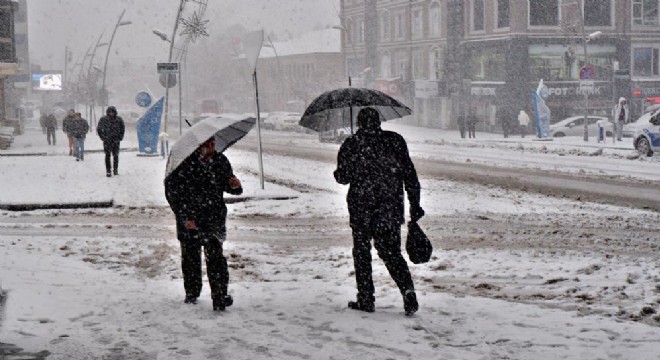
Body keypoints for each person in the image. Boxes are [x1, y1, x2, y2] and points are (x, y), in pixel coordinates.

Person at [334, 107, 425, 317]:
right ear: (378, 122)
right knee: (391, 252)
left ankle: (366, 298)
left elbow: (343, 178)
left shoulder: (352, 145)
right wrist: (415, 204)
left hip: (361, 208)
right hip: (390, 207)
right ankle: (407, 289)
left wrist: (342, 168)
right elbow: (410, 175)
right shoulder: (394, 141)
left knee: (362, 253)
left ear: (358, 123)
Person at [164, 137, 243, 312]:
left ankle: (220, 296)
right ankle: (192, 293)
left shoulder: (220, 160)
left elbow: (229, 185)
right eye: (207, 145)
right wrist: (185, 217)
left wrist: (235, 186)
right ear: (198, 147)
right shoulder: (184, 164)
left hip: (213, 216)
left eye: (213, 144)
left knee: (216, 257)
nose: (211, 148)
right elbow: (173, 192)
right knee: (191, 257)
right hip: (190, 218)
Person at [97, 106, 125, 177]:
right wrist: (102, 137)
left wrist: (120, 137)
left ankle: (115, 170)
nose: (111, 113)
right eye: (110, 112)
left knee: (116, 155)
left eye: (112, 112)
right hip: (107, 140)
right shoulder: (103, 119)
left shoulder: (119, 119)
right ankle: (108, 170)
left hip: (116, 140)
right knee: (107, 155)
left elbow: (122, 128)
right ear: (107, 112)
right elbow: (99, 129)